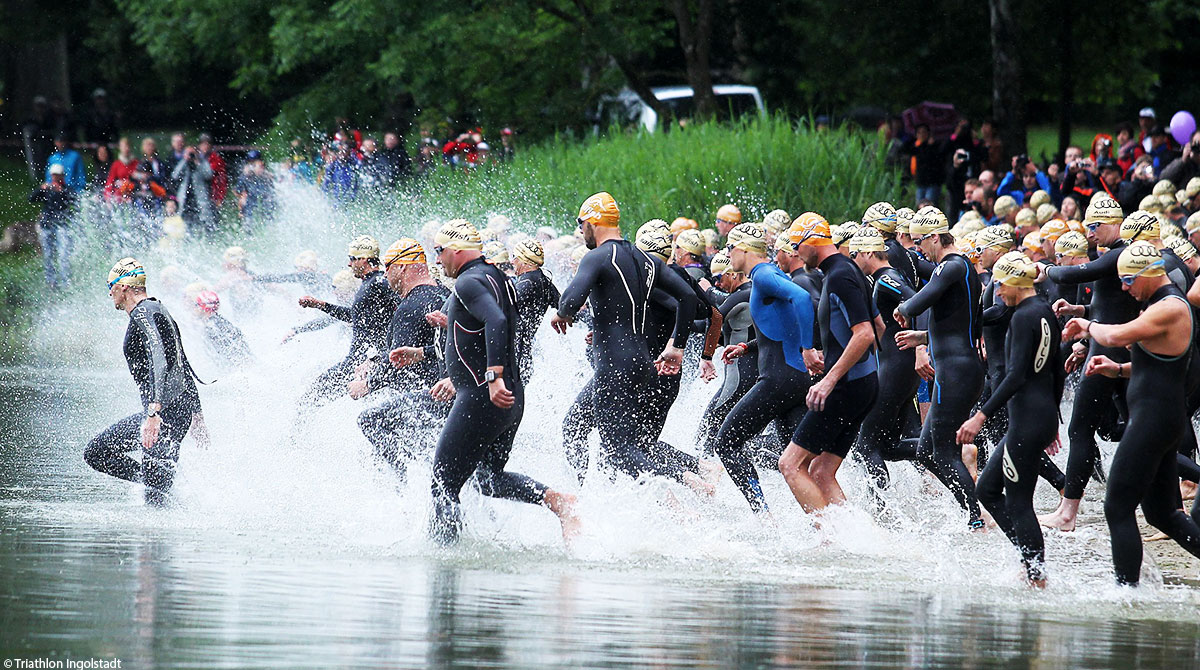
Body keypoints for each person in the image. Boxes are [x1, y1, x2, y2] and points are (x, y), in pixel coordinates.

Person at [425, 219, 579, 544]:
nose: (437, 260)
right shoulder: (499, 277)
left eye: (439, 251)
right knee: (486, 479)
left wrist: (491, 377)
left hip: (484, 396)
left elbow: (494, 319)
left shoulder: (468, 282)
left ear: (457, 250)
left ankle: (444, 559)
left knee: (443, 481)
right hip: (511, 396)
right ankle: (556, 500)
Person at [1062, 242, 1200, 585]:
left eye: (1127, 279)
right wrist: (1117, 369)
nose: (1124, 287)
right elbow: (1154, 367)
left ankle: (1128, 592)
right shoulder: (1156, 304)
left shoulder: (1170, 307)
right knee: (1163, 514)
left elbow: (1115, 333)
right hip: (1160, 417)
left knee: (1116, 507)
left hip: (1154, 421)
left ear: (1149, 274)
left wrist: (1086, 325)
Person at [550, 192, 704, 488]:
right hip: (644, 363)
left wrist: (560, 314)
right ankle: (598, 493)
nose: (581, 231)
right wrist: (677, 345)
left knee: (617, 448)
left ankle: (681, 490)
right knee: (616, 440)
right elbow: (687, 297)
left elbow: (570, 302)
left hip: (614, 365)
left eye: (581, 224)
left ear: (593, 223)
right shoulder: (644, 259)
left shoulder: (597, 257)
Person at [958, 252, 1064, 588]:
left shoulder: (1022, 318)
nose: (997, 291)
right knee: (988, 490)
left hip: (1027, 419)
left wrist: (980, 415)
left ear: (1016, 283)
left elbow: (1017, 375)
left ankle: (1036, 574)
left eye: (1000, 285)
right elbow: (1057, 368)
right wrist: (1053, 417)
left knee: (1018, 503)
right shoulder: (1044, 308)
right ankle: (1030, 562)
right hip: (1038, 415)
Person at [1040, 196, 1139, 531]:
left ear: (1115, 223)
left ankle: (1067, 513)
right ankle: (1173, 502)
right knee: (1135, 430)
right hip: (1110, 345)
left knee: (1080, 428)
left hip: (1108, 351)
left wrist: (1047, 269)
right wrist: (1078, 312)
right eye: (1088, 227)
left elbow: (1076, 272)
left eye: (1096, 226)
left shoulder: (1118, 254)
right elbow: (1109, 306)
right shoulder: (1113, 254)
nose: (1091, 233)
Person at [712, 221, 817, 514]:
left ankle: (763, 516)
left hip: (778, 379)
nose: (728, 254)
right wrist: (747, 346)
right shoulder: (768, 274)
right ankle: (828, 524)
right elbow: (780, 327)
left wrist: (808, 348)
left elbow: (803, 297)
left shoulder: (764, 275)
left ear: (744, 249)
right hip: (794, 379)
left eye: (731, 248)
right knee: (795, 463)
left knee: (726, 443)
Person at [778, 213, 880, 515]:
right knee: (821, 470)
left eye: (797, 246)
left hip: (846, 386)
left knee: (790, 464)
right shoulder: (848, 269)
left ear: (813, 241)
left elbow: (864, 334)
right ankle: (855, 536)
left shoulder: (839, 276)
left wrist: (830, 378)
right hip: (861, 382)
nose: (796, 253)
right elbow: (879, 327)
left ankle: (828, 538)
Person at [85, 258, 204, 506]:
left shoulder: (143, 313)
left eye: (111, 286)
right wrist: (197, 415)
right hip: (175, 412)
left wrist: (153, 412)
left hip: (164, 414)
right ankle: (163, 486)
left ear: (124, 287)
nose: (110, 293)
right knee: (152, 486)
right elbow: (181, 363)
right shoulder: (157, 309)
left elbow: (161, 359)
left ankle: (163, 490)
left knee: (100, 454)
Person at [894, 206, 986, 529]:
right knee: (925, 450)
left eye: (920, 242)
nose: (918, 248)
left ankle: (975, 516)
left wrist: (904, 308)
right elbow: (955, 321)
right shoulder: (956, 269)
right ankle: (971, 508)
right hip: (956, 367)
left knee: (943, 450)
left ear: (935, 236)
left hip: (957, 371)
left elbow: (923, 298)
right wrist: (921, 335)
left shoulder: (953, 265)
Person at [352, 239, 450, 478]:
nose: (385, 274)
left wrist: (366, 385)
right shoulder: (444, 294)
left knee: (370, 420)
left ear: (403, 267)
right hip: (451, 394)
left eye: (389, 267)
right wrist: (375, 360)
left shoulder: (410, 307)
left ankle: (406, 480)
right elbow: (431, 347)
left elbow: (397, 363)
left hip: (431, 399)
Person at [848, 227, 920, 503]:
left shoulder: (887, 278)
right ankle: (943, 450)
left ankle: (881, 513)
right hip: (899, 368)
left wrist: (922, 345)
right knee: (887, 446)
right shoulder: (884, 278)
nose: (853, 260)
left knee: (864, 447)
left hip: (895, 369)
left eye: (855, 254)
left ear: (868, 252)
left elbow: (918, 303)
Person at [297, 236, 398, 406]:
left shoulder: (379, 282)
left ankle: (296, 433)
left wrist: (379, 357)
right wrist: (321, 305)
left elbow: (404, 308)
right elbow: (355, 316)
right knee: (311, 398)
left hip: (363, 362)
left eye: (352, 259)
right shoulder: (369, 284)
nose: (349, 264)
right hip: (360, 360)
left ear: (364, 259)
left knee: (309, 399)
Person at [511, 239, 560, 385]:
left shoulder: (525, 284)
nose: (512, 261)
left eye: (514, 256)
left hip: (511, 356)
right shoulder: (546, 282)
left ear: (524, 260)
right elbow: (566, 307)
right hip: (525, 356)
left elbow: (501, 313)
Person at [29, 163, 76, 288]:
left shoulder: (67, 189)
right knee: (48, 255)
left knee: (63, 254)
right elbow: (31, 198)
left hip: (61, 226)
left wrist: (61, 191)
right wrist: (41, 189)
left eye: (58, 175)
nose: (56, 178)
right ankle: (51, 282)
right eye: (54, 175)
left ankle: (66, 282)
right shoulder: (47, 189)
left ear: (62, 176)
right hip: (47, 225)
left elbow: (74, 200)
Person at [192, 290, 252, 364]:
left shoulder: (212, 328)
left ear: (204, 307)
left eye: (196, 304)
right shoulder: (220, 322)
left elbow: (219, 356)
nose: (193, 308)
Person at [172, 144, 216, 235]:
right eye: (189, 153)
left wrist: (197, 162)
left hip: (199, 200)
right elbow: (175, 175)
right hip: (185, 200)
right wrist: (185, 160)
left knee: (203, 223)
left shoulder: (202, 162)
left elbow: (208, 175)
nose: (191, 155)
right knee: (186, 226)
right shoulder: (183, 162)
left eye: (192, 153)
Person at [235, 150, 276, 228]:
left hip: (266, 207)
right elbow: (237, 191)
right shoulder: (245, 176)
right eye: (251, 163)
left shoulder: (267, 176)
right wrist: (241, 203)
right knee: (249, 227)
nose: (253, 166)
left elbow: (275, 185)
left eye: (256, 163)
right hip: (250, 209)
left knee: (269, 224)